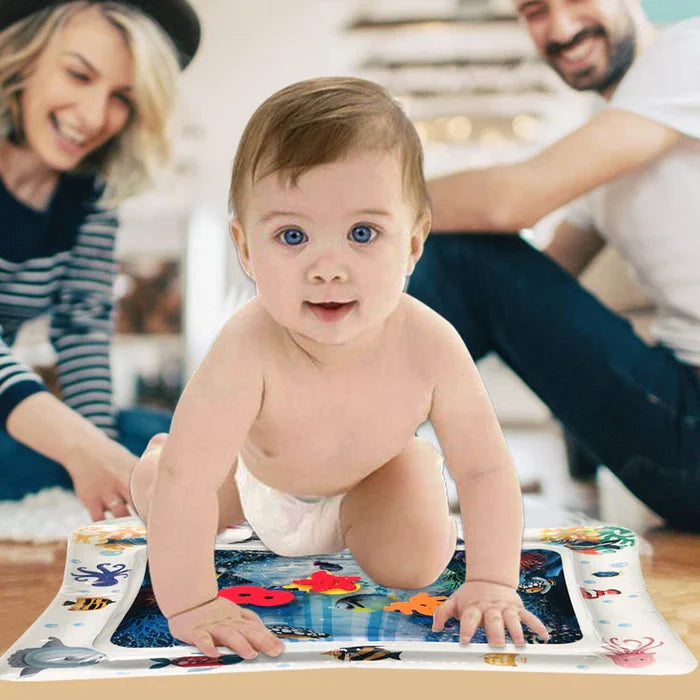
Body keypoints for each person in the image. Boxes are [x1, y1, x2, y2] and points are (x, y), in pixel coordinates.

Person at [129, 77, 550, 659]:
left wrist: (492, 582)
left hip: (370, 486)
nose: (328, 268)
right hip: (255, 488)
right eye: (292, 235)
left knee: (417, 562)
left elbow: (483, 471)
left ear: (413, 243)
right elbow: (190, 482)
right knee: (174, 486)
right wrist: (193, 602)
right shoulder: (247, 345)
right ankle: (151, 464)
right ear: (246, 248)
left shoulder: (431, 343)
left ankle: (408, 476)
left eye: (362, 233)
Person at [407, 0, 700, 531]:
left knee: (462, 258)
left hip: (691, 425)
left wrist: (354, 202)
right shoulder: (610, 127)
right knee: (467, 262)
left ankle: (318, 455)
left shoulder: (690, 52)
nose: (560, 28)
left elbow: (511, 204)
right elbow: (538, 280)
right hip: (678, 424)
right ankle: (341, 450)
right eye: (535, 11)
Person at [0, 0, 200, 520]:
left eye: (120, 98)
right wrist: (81, 449)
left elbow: (82, 327)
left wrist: (106, 473)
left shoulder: (91, 196)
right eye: (78, 75)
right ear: (24, 59)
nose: (93, 117)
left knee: (157, 438)